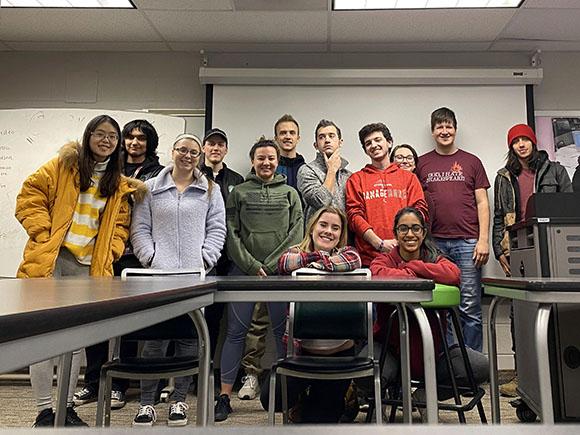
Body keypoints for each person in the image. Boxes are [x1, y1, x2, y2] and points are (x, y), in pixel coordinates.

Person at [15, 114, 145, 427]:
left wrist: (111, 252)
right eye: (100, 134)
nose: (107, 141)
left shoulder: (118, 183)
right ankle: (46, 411)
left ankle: (66, 407)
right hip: (54, 261)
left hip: (88, 269)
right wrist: (43, 233)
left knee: (75, 343)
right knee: (44, 338)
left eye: (112, 137)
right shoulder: (63, 167)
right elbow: (29, 195)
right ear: (88, 137)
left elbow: (120, 226)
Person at [130, 133, 226, 426]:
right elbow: (139, 229)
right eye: (182, 150)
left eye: (193, 152)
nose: (187, 155)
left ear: (199, 157)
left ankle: (179, 400)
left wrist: (205, 259)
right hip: (157, 277)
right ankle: (147, 403)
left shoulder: (210, 188)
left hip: (193, 277)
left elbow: (217, 228)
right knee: (154, 344)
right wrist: (151, 259)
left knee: (188, 340)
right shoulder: (150, 188)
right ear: (172, 152)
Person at [73, 119, 163, 410]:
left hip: (137, 257)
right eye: (129, 137)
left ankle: (122, 385)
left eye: (141, 138)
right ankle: (93, 382)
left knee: (131, 323)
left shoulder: (158, 174)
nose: (134, 143)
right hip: (102, 254)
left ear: (150, 143)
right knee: (96, 319)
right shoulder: (109, 167)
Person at [214, 139, 303, 422]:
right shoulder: (238, 192)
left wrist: (272, 264)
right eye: (261, 158)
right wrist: (252, 265)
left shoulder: (290, 193)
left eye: (271, 158)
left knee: (281, 336)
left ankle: (284, 396)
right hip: (243, 273)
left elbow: (297, 233)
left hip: (279, 274)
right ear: (253, 160)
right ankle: (224, 397)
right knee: (235, 334)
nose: (266, 163)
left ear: (278, 161)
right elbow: (231, 232)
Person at [370, 207, 488, 412]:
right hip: (391, 352)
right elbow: (378, 272)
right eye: (403, 228)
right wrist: (422, 276)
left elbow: (453, 275)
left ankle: (424, 394)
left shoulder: (434, 257)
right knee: (365, 367)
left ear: (424, 233)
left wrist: (414, 266)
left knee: (480, 367)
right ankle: (387, 392)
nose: (409, 234)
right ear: (395, 233)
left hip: (434, 353)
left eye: (416, 228)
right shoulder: (385, 258)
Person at [259, 205, 362, 423]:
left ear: (341, 234)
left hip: (339, 356)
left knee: (318, 423)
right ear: (312, 227)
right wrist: (318, 258)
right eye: (323, 225)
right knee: (271, 398)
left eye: (335, 228)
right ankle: (303, 398)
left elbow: (354, 261)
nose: (328, 231)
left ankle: (339, 394)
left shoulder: (347, 253)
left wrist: (316, 264)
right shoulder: (296, 252)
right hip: (301, 353)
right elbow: (283, 263)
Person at [492, 123, 571, 397]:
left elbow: (570, 209)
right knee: (519, 311)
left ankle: (555, 372)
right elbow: (499, 216)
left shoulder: (555, 170)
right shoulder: (504, 176)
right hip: (518, 248)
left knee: (556, 310)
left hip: (551, 247)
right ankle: (521, 374)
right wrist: (498, 250)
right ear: (511, 146)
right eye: (516, 141)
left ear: (533, 142)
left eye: (526, 139)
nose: (521, 144)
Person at [239, 114, 306, 401]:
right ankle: (251, 375)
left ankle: (291, 373)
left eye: (292, 132)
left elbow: (299, 223)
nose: (287, 136)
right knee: (257, 319)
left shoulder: (305, 170)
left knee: (291, 321)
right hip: (259, 263)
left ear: (298, 137)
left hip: (296, 258)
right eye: (282, 132)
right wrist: (258, 263)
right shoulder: (248, 184)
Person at [416, 107, 490, 352]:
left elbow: (482, 202)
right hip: (434, 244)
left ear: (455, 129)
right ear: (433, 131)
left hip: (468, 243)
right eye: (440, 127)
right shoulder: (422, 163)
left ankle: (473, 367)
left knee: (470, 306)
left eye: (448, 126)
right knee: (445, 308)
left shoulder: (472, 161)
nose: (444, 131)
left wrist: (483, 240)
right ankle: (450, 367)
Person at [346, 123, 427, 268]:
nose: (373, 145)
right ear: (365, 150)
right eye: (368, 143)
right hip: (369, 260)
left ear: (389, 142)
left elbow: (420, 211)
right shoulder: (356, 179)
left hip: (406, 258)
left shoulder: (409, 178)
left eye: (378, 140)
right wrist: (378, 243)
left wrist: (404, 241)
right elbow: (354, 216)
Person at [198, 128, 244, 363]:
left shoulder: (236, 180)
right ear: (204, 148)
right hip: (200, 257)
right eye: (211, 144)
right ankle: (180, 376)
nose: (215, 148)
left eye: (220, 144)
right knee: (195, 316)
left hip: (229, 257)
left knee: (218, 318)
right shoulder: (193, 175)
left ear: (226, 150)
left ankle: (208, 372)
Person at [297, 119, 352, 224]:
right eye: (321, 137)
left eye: (331, 136)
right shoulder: (307, 170)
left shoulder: (349, 176)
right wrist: (331, 170)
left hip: (345, 238)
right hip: (316, 237)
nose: (327, 140)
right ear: (316, 145)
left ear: (340, 142)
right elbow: (321, 201)